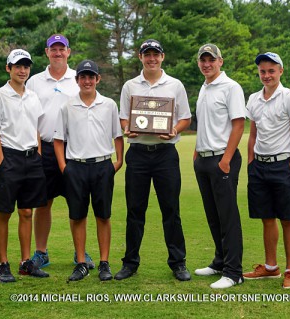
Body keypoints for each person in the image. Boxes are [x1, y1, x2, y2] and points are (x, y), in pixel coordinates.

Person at [114, 39, 192, 281]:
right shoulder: (130, 85)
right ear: (140, 57)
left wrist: (174, 131)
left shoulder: (175, 85)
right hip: (137, 154)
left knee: (171, 210)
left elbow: (185, 118)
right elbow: (124, 119)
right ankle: (130, 263)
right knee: (135, 210)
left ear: (162, 57)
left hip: (165, 153)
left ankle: (178, 263)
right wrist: (128, 130)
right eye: (147, 55)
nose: (151, 59)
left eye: (155, 55)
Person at [26, 34, 94, 270]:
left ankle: (80, 253)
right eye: (53, 49)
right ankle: (41, 252)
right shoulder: (34, 81)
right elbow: (29, 115)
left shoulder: (78, 78)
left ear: (68, 51)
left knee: (77, 202)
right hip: (44, 148)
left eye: (61, 49)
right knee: (43, 202)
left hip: (73, 148)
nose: (57, 53)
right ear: (46, 52)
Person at [0, 49, 50, 283]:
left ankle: (25, 263)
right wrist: (1, 161)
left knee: (27, 212)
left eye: (26, 66)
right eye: (18, 66)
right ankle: (3, 264)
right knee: (5, 212)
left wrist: (38, 153)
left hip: (32, 157)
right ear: (8, 68)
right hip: (9, 157)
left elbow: (36, 128)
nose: (22, 71)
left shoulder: (32, 96)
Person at [53, 60, 124, 282]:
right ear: (77, 80)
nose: (87, 81)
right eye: (83, 77)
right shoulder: (67, 106)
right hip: (76, 166)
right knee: (78, 216)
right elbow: (58, 140)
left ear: (97, 79)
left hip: (103, 165)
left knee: (103, 215)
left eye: (91, 77)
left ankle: (104, 263)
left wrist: (119, 161)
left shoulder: (109, 104)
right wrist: (64, 168)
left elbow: (118, 135)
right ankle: (81, 263)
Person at [242, 52, 290, 289]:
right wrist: (251, 162)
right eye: (262, 71)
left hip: (282, 165)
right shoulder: (254, 99)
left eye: (271, 71)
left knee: (287, 218)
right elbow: (254, 134)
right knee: (266, 218)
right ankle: (270, 268)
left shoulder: (289, 98)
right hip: (259, 165)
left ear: (280, 71)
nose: (266, 75)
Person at [193, 43, 246, 289]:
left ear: (220, 61)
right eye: (203, 60)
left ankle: (234, 272)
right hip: (203, 158)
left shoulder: (231, 87)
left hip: (222, 159)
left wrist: (225, 159)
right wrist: (196, 152)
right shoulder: (204, 88)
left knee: (228, 216)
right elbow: (205, 124)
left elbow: (238, 125)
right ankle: (220, 261)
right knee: (213, 215)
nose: (207, 64)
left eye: (211, 60)